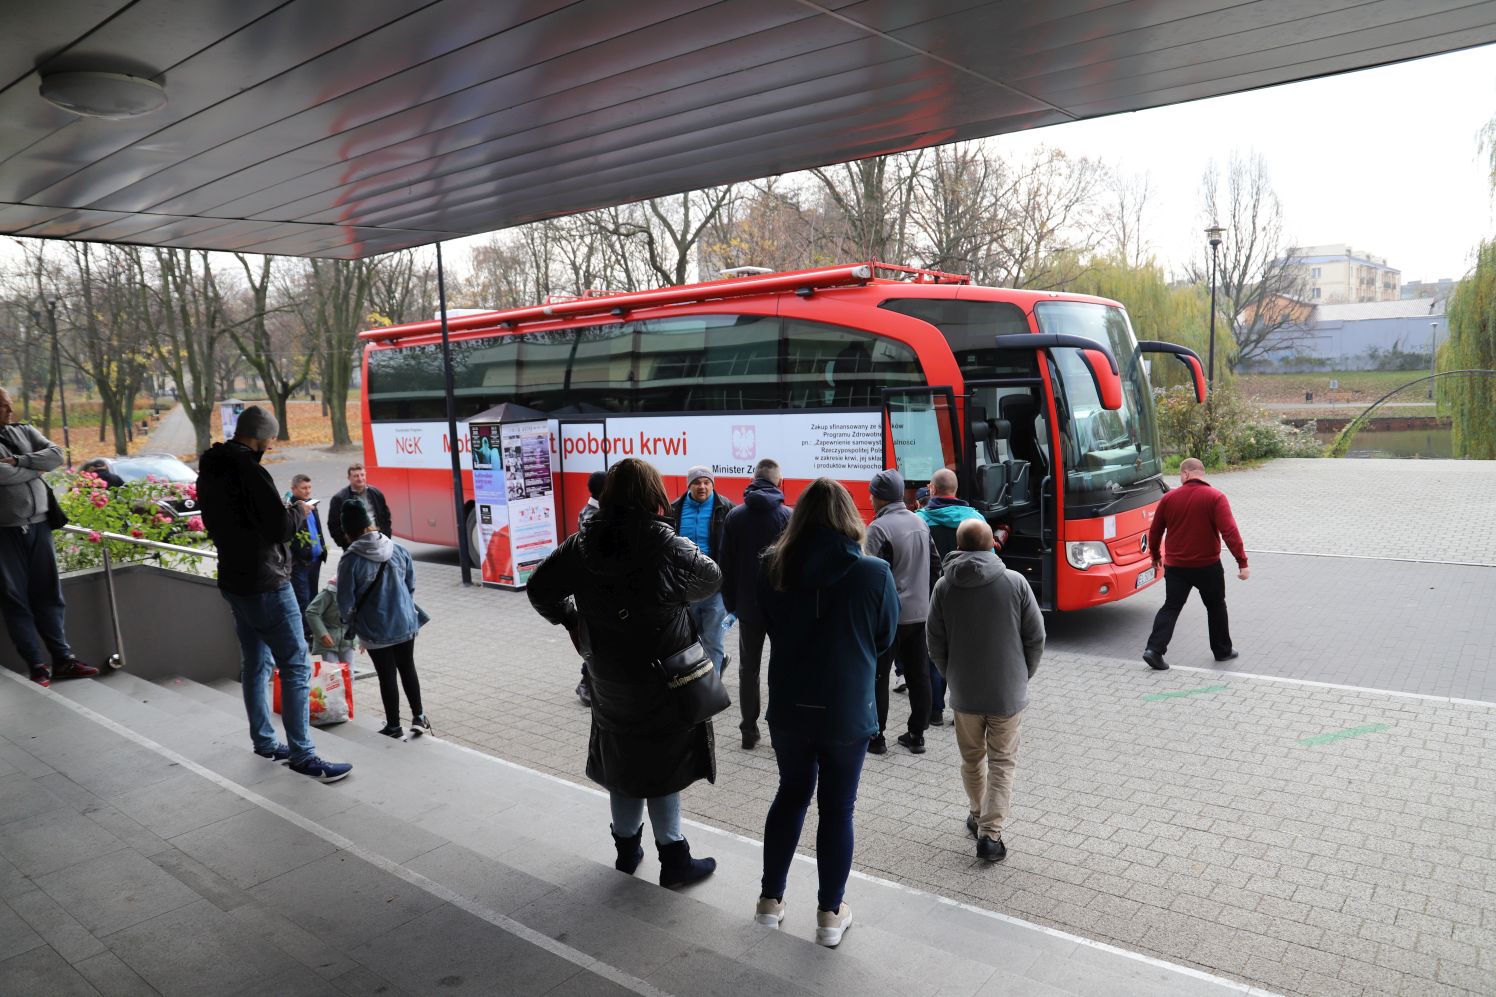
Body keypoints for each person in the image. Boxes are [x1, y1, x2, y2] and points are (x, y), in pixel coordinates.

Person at [527, 458, 720, 889]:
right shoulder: (667, 544)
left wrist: (572, 619)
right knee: (663, 765)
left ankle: (627, 852)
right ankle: (674, 859)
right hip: (664, 677)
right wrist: (670, 598)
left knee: (622, 760)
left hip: (608, 677)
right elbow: (711, 579)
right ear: (652, 493)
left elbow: (539, 589)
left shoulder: (582, 544)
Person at [752, 478, 898, 947]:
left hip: (789, 706)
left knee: (791, 794)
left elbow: (766, 625)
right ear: (849, 516)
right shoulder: (873, 573)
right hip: (846, 710)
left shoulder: (771, 568)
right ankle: (830, 915)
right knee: (837, 809)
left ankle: (769, 902)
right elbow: (885, 636)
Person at [197, 405, 351, 783]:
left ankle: (265, 741)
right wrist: (298, 510)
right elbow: (280, 529)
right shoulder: (252, 470)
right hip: (266, 582)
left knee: (256, 663)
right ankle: (303, 754)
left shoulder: (211, 468)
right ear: (261, 437)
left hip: (234, 580)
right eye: (269, 438)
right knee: (296, 664)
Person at [927, 518, 1045, 863]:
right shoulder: (1015, 582)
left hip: (964, 693)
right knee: (1002, 763)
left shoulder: (943, 587)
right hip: (1007, 693)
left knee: (971, 759)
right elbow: (1035, 638)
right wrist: (1022, 675)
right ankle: (990, 836)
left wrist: (951, 675)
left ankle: (977, 815)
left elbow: (934, 641)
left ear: (958, 547)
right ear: (992, 545)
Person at [0, 388, 99, 688]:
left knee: (49, 595)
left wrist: (18, 462)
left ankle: (63, 659)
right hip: (4, 532)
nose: (9, 410)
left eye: (9, 404)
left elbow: (55, 456)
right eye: (3, 405)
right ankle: (37, 667)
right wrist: (35, 468)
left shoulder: (23, 430)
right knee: (15, 599)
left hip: (40, 525)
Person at [1142, 457, 1250, 671]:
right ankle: (1222, 651)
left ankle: (1154, 650)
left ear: (1185, 474)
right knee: (1216, 606)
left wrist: (1155, 555)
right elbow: (1230, 532)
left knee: (1171, 607)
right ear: (1201, 473)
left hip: (1176, 567)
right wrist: (1242, 562)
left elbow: (1154, 531)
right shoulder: (1216, 497)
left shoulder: (1169, 498)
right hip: (1207, 566)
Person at [338, 499, 431, 740]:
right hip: (404, 621)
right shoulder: (397, 548)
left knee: (386, 675)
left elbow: (345, 601)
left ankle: (393, 725)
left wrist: (349, 624)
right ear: (369, 525)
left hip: (374, 628)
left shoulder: (350, 560)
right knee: (407, 667)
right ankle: (419, 717)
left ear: (349, 531)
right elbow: (410, 585)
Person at [864, 468, 939, 755]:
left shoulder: (878, 529)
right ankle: (917, 734)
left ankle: (877, 737)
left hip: (889, 617)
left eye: (872, 493)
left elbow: (869, 576)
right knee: (919, 674)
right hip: (920, 614)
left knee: (879, 677)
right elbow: (935, 565)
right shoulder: (919, 522)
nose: (870, 498)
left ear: (880, 497)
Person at [718, 458, 792, 750]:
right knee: (781, 666)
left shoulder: (735, 516)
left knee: (749, 669)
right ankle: (779, 728)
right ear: (777, 481)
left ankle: (749, 730)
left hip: (748, 607)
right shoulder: (788, 516)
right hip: (782, 606)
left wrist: (731, 603)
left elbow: (726, 563)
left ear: (754, 478)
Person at [916, 467, 985, 726]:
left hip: (932, 594)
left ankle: (935, 711)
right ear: (955, 490)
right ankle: (962, 709)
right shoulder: (976, 519)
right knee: (964, 654)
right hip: (969, 596)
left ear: (932, 489)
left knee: (934, 652)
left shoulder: (919, 520)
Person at [669, 465, 734, 675]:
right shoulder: (675, 509)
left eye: (707, 482)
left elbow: (734, 548)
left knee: (713, 641)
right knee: (688, 641)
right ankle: (692, 682)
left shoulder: (726, 508)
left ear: (712, 484)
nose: (702, 486)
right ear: (689, 485)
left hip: (715, 588)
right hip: (685, 589)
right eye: (697, 482)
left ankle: (712, 687)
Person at [573, 469, 607, 707]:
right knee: (597, 639)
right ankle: (585, 682)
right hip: (595, 590)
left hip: (598, 589)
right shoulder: (592, 515)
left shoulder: (594, 511)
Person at [286, 473, 328, 627]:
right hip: (300, 564)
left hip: (315, 561)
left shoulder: (312, 504)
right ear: (293, 489)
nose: (307, 491)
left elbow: (317, 529)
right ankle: (307, 632)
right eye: (303, 488)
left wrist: (322, 549)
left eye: (309, 487)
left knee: (314, 597)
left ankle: (314, 629)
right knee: (303, 599)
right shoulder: (290, 508)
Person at [328, 463, 392, 550]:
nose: (360, 478)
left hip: (378, 540)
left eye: (362, 475)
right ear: (349, 478)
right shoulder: (339, 498)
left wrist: (386, 537)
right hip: (355, 544)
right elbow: (333, 524)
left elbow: (386, 517)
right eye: (356, 476)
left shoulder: (376, 493)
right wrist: (345, 543)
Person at [305, 577, 356, 670]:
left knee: (348, 674)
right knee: (333, 675)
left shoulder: (359, 590)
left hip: (348, 640)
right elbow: (311, 612)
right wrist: (322, 634)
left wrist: (364, 637)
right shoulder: (330, 592)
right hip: (328, 641)